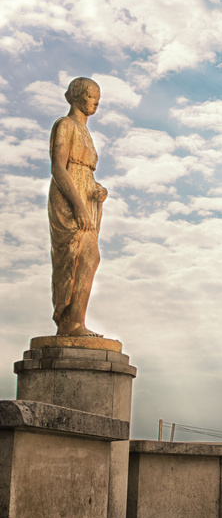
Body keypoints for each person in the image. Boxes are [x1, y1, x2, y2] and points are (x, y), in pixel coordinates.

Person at [49, 77, 108, 337]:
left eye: (97, 97)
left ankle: (75, 322)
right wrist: (79, 207)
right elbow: (59, 169)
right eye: (90, 95)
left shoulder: (86, 132)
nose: (95, 101)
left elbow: (85, 173)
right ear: (76, 96)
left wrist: (96, 189)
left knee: (90, 258)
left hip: (86, 196)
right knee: (74, 258)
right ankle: (71, 324)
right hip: (68, 198)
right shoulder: (65, 125)